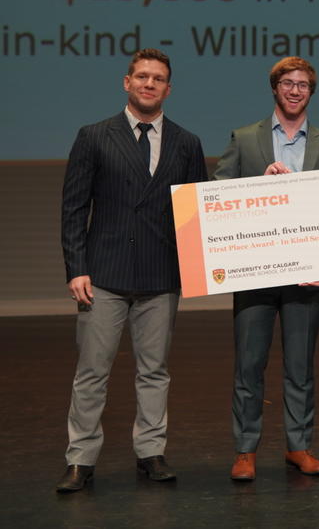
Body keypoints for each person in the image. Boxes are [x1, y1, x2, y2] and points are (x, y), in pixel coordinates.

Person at [57, 49, 207, 492]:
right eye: (141, 76)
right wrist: (76, 267)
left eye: (158, 78)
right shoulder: (94, 136)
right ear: (126, 82)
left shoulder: (187, 142)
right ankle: (80, 459)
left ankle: (151, 452)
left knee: (155, 371)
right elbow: (73, 207)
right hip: (103, 275)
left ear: (168, 88)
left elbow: (194, 212)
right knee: (91, 372)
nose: (149, 83)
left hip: (160, 276)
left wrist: (197, 271)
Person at [214, 56, 319, 481]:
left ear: (311, 92)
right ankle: (245, 450)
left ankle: (298, 446)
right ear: (274, 88)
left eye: (303, 85)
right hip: (255, 273)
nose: (294, 90)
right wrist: (257, 187)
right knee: (248, 366)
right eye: (287, 83)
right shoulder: (245, 138)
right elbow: (217, 196)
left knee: (300, 368)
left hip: (306, 276)